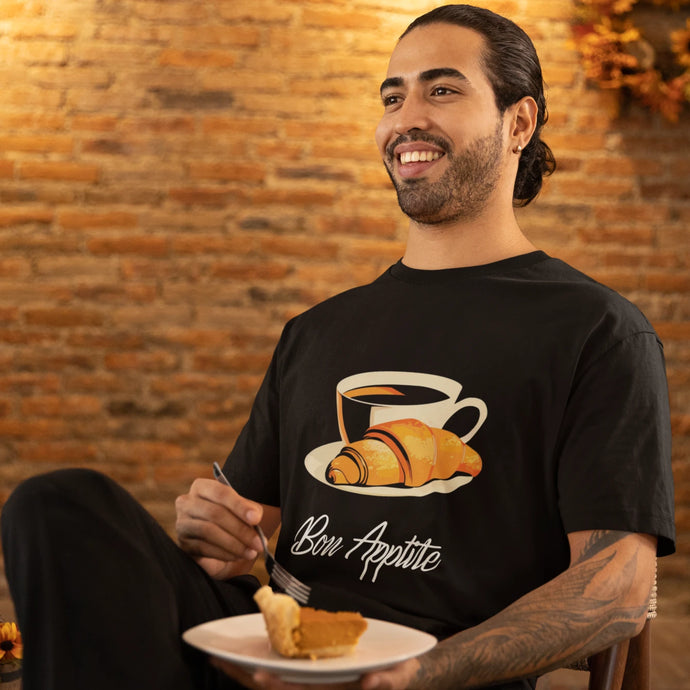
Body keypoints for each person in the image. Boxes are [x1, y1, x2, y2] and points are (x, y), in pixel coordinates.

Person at [1, 4, 675, 690]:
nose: (406, 116)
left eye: (441, 89)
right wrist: (216, 529)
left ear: (519, 123)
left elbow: (616, 586)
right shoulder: (318, 332)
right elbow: (246, 531)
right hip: (274, 647)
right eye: (393, 95)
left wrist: (421, 673)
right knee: (57, 504)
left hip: (430, 673)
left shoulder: (596, 329)